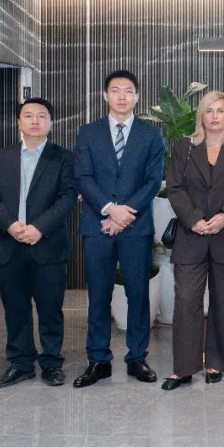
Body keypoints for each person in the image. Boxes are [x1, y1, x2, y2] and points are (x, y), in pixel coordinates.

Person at [73, 69, 165, 388]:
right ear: (105, 95)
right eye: (115, 90)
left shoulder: (151, 134)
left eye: (128, 91)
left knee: (138, 294)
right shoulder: (88, 133)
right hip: (97, 225)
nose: (122, 96)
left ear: (137, 97)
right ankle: (98, 360)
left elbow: (153, 180)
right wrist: (110, 210)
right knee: (98, 295)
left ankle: (137, 357)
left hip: (136, 228)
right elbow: (83, 177)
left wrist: (125, 213)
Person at [163, 91, 224, 390]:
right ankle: (184, 368)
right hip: (191, 236)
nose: (214, 116)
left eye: (220, 110)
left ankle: (217, 362)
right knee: (186, 301)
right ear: (200, 116)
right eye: (208, 111)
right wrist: (193, 219)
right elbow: (175, 188)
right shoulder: (184, 148)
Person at [0, 97, 77, 388]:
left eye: (42, 116)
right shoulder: (2, 157)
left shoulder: (63, 158)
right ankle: (20, 363)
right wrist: (10, 225)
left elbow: (67, 197)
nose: (35, 121)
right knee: (15, 309)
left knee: (50, 309)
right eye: (29, 115)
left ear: (51, 122)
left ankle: (51, 363)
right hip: (9, 244)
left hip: (47, 245)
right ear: (19, 122)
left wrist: (39, 228)